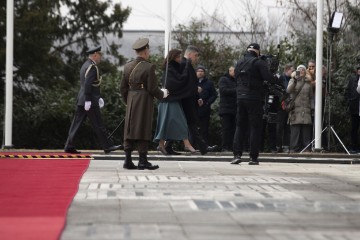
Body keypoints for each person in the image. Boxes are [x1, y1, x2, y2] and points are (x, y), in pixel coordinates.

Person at [120, 38, 169, 170]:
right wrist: (162, 94)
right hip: (144, 100)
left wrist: (128, 101)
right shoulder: (149, 67)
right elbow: (152, 88)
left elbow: (123, 88)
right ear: (146, 51)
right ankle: (142, 161)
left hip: (131, 99)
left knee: (129, 130)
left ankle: (128, 160)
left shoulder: (127, 66)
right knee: (143, 128)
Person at [64, 46, 122, 154]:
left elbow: (90, 84)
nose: (101, 58)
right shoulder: (92, 67)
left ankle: (69, 146)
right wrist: (88, 100)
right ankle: (107, 146)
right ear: (95, 55)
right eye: (100, 55)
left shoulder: (85, 65)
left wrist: (97, 97)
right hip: (89, 101)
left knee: (76, 124)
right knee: (99, 124)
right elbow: (87, 84)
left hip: (83, 100)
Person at [231, 43, 279, 165]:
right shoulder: (258, 63)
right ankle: (253, 157)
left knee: (240, 126)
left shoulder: (239, 62)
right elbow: (268, 78)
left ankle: (237, 155)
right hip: (254, 98)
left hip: (240, 97)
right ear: (257, 52)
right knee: (255, 127)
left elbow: (236, 77)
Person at [153, 49, 196, 154]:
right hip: (169, 101)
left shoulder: (171, 68)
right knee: (180, 122)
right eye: (178, 57)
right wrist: (187, 66)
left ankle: (161, 144)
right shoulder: (170, 68)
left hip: (169, 101)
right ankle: (186, 144)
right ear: (173, 57)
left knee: (166, 124)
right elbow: (179, 81)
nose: (180, 59)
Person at [178, 45, 216, 155]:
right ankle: (203, 147)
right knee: (190, 124)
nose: (196, 58)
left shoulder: (187, 64)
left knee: (190, 124)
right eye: (195, 56)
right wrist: (195, 90)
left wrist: (198, 97)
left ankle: (167, 144)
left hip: (189, 99)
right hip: (186, 100)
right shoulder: (184, 64)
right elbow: (184, 83)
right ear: (190, 54)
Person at [287, 65, 314, 153]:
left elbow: (311, 97)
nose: (301, 71)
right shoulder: (292, 80)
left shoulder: (308, 83)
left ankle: (306, 148)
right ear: (296, 71)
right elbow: (288, 90)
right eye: (299, 70)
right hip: (295, 108)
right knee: (295, 129)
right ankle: (294, 148)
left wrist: (312, 108)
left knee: (306, 129)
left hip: (306, 109)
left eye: (303, 69)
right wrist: (295, 80)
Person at [195, 65, 218, 145]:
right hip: (194, 108)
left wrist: (208, 102)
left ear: (204, 73)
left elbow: (214, 95)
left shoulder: (209, 83)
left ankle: (205, 146)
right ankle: (191, 146)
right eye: (198, 71)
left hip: (205, 108)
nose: (200, 73)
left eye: (202, 71)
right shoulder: (192, 82)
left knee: (204, 128)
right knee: (193, 128)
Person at [276, 63, 294, 153]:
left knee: (288, 127)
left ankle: (286, 145)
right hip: (282, 105)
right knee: (280, 126)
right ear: (287, 70)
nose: (293, 72)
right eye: (292, 71)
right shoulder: (281, 78)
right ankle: (278, 145)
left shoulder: (292, 79)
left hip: (290, 105)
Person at [218, 66, 236, 152]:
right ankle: (225, 147)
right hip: (226, 108)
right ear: (229, 71)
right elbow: (223, 90)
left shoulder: (237, 81)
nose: (235, 72)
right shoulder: (223, 79)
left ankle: (232, 147)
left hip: (235, 108)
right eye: (233, 71)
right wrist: (237, 90)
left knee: (234, 129)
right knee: (226, 128)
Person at [346, 65, 360, 153]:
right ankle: (353, 146)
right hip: (355, 108)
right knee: (354, 128)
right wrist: (349, 102)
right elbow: (348, 91)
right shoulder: (353, 80)